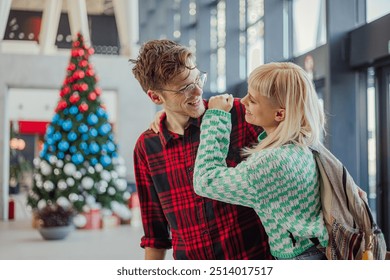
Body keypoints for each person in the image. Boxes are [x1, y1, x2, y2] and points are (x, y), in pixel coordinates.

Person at [129, 39, 272, 260]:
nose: (198, 92)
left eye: (198, 79)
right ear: (156, 97)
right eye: (184, 88)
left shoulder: (237, 114)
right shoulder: (147, 148)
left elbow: (291, 133)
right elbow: (155, 236)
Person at [193, 62, 329, 260]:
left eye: (253, 100)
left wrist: (216, 117)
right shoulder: (300, 146)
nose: (243, 101)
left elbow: (205, 181)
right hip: (314, 250)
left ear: (279, 114)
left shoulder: (271, 163)